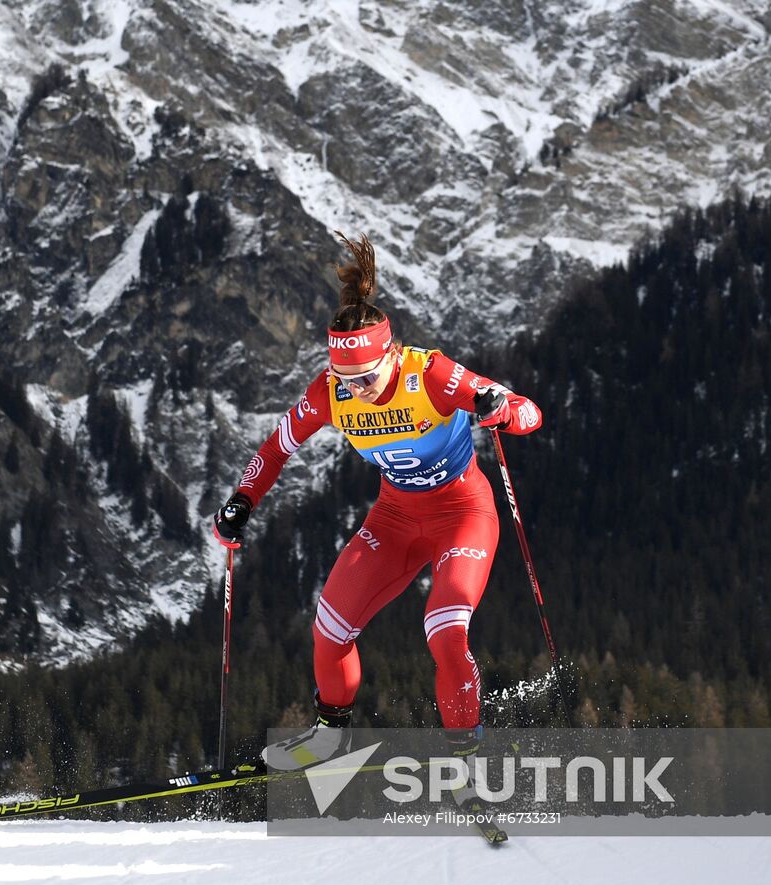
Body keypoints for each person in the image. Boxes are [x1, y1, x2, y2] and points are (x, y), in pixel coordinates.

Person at [212, 232, 543, 770]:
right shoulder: (330, 392)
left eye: (366, 375)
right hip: (394, 517)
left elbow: (529, 411)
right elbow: (276, 449)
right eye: (345, 378)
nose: (357, 388)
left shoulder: (430, 375)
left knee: (445, 628)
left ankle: (468, 759)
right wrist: (242, 500)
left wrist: (500, 408)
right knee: (330, 627)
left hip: (463, 516)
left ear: (391, 355)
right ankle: (329, 739)